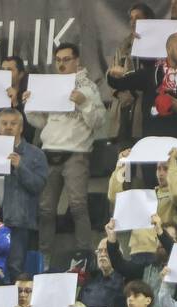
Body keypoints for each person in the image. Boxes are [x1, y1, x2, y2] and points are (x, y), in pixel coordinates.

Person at [26, 43, 107, 268]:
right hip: (49, 150)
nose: (61, 64)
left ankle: (85, 257)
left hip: (76, 153)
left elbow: (99, 122)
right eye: (58, 60)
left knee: (78, 206)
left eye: (66, 59)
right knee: (45, 209)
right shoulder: (50, 86)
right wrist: (30, 106)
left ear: (77, 61)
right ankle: (44, 259)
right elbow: (41, 123)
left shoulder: (88, 87)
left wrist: (84, 103)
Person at [0, 109, 47, 276]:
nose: (8, 127)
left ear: (21, 128)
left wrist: (20, 166)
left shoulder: (36, 154)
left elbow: (38, 185)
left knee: (14, 268)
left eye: (13, 124)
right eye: (4, 124)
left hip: (17, 221)